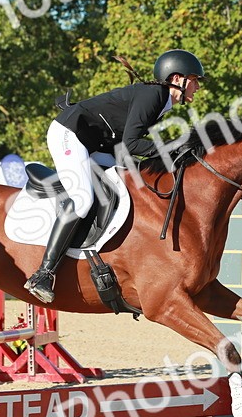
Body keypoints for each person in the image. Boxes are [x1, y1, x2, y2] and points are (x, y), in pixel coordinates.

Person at [24, 49, 205, 303]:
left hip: (97, 145)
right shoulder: (154, 95)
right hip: (70, 133)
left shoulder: (161, 103)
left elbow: (126, 146)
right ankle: (43, 273)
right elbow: (132, 144)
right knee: (83, 199)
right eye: (195, 80)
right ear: (177, 79)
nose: (197, 86)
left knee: (124, 183)